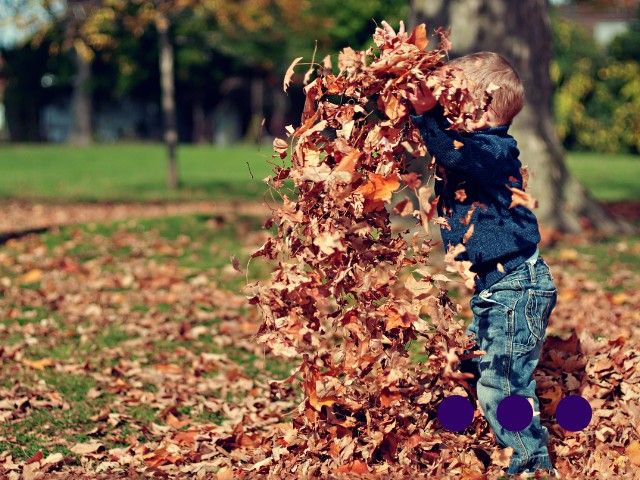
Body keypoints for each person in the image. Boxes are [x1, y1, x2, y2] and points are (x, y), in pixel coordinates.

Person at [408, 51, 560, 479]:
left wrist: (426, 117)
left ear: (478, 107)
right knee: (471, 364)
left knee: (504, 383)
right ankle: (467, 436)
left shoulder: (493, 150)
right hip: (498, 289)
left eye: (452, 102)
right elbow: (446, 149)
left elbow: (454, 155)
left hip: (517, 288)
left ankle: (531, 462)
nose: (444, 111)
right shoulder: (477, 148)